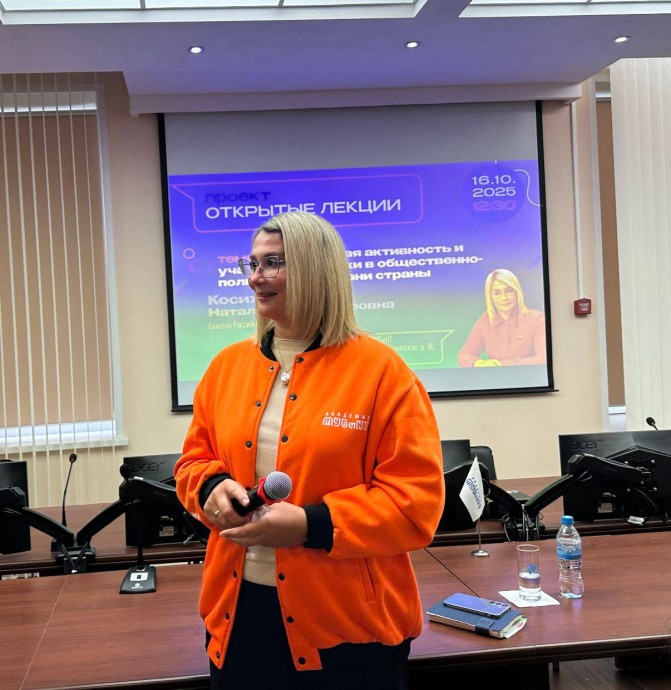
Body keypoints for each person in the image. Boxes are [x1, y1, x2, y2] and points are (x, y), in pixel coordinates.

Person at [175, 211, 445, 689]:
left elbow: (415, 504)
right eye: (252, 264)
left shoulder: (383, 373)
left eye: (273, 263)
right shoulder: (225, 368)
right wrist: (210, 487)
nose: (255, 277)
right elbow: (193, 462)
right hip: (239, 621)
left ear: (315, 270)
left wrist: (309, 524)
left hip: (349, 629)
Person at [457, 268, 546, 367]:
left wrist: (499, 365)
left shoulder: (538, 320)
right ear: (490, 296)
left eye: (509, 291)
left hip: (529, 376)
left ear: (517, 292)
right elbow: (464, 355)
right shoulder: (486, 320)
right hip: (495, 376)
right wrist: (480, 363)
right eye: (497, 293)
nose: (504, 298)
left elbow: (543, 359)